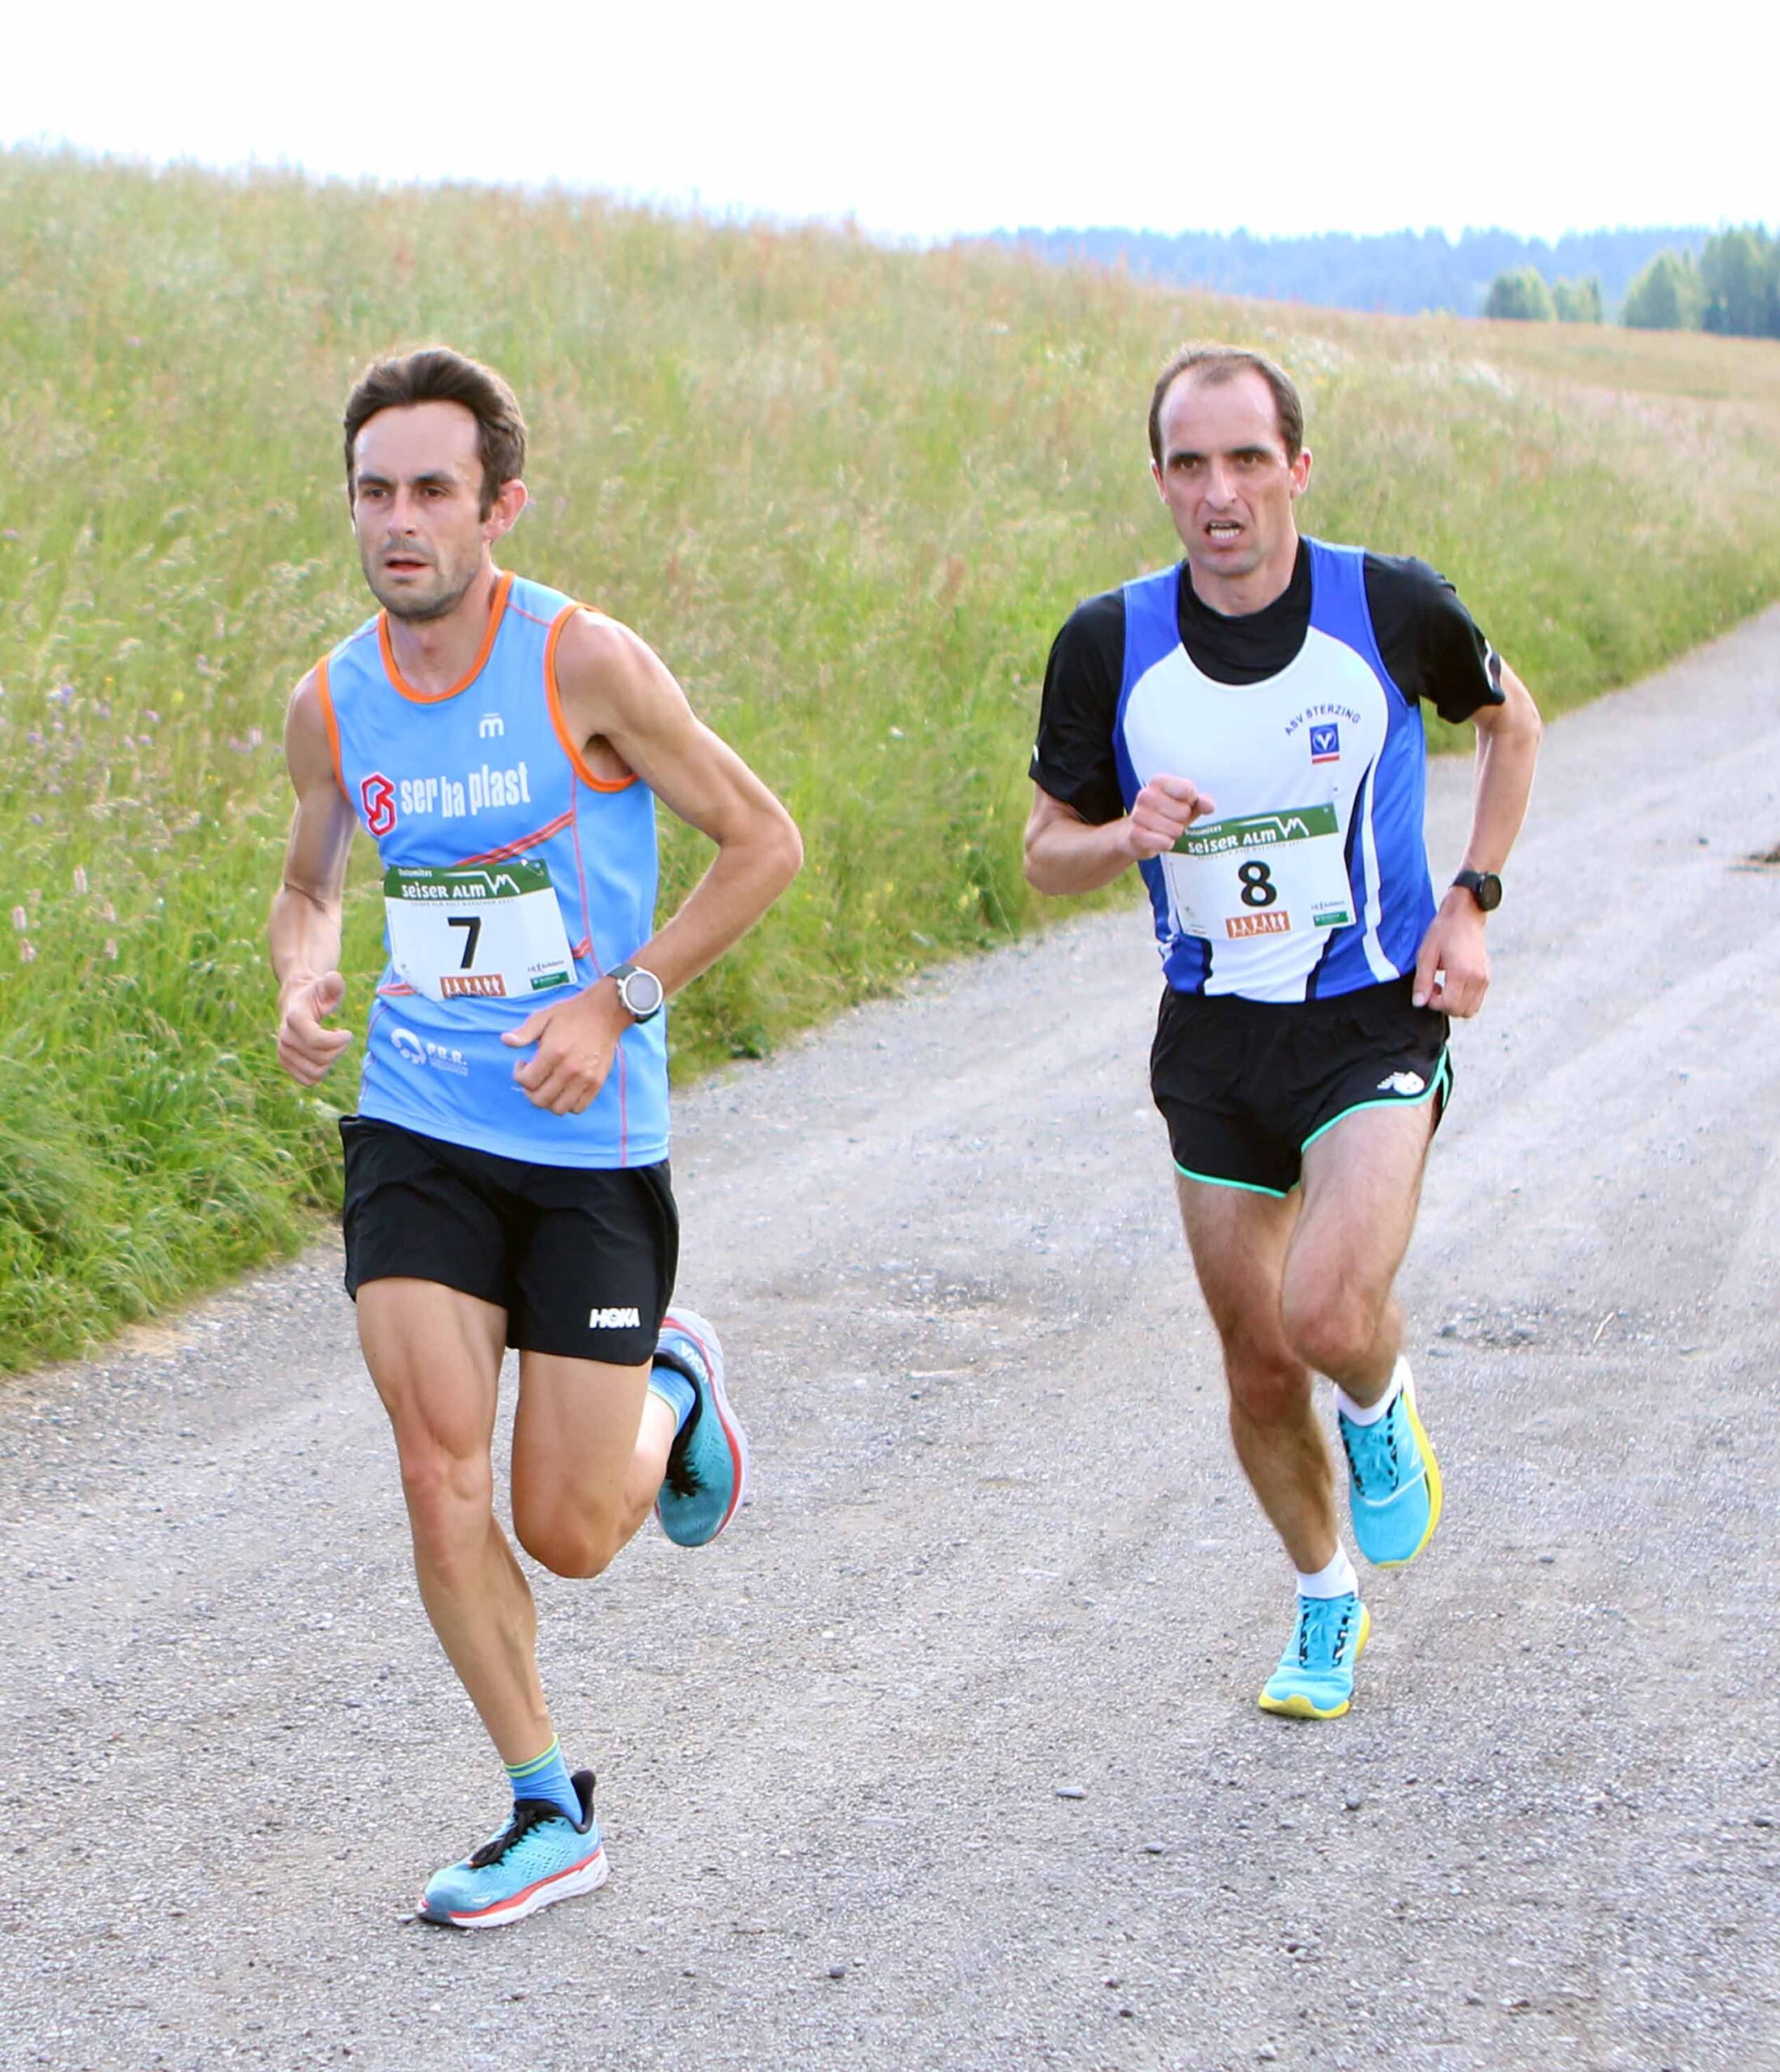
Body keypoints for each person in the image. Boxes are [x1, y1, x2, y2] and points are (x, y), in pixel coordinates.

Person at [270, 346, 802, 1924]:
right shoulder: (332, 700)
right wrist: (305, 972)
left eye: (432, 490)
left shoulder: (585, 665)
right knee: (436, 1468)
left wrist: (617, 1000)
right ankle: (544, 1804)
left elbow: (762, 842)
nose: (399, 520)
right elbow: (309, 879)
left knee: (568, 1532)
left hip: (585, 1146)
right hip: (418, 1124)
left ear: (498, 505)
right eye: (374, 491)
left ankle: (671, 1389)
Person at [1023, 344, 1540, 1720]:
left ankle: (1375, 1401)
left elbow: (1514, 726)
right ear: (1159, 481)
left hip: (1371, 1015)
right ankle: (1325, 1598)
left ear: (1297, 469)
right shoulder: (1107, 645)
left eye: (1248, 459)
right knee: (1257, 1363)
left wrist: (1472, 900)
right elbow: (1042, 852)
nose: (1222, 493)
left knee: (1324, 1314)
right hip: (1213, 1038)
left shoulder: (1389, 606)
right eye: (1190, 465)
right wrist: (1119, 837)